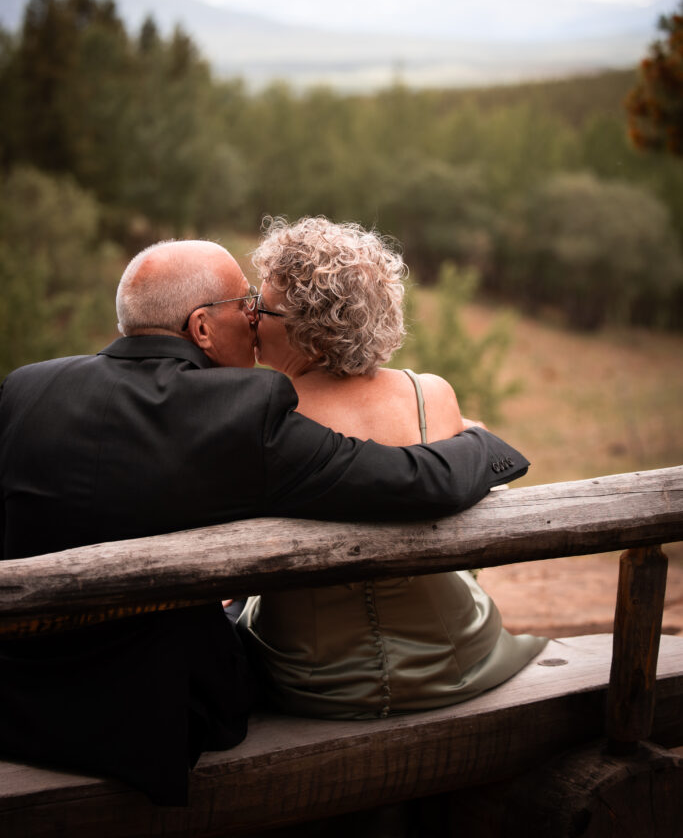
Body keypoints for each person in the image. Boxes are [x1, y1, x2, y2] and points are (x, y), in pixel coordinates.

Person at [0, 239, 529, 805]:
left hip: (14, 701)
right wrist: (483, 443)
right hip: (151, 722)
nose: (254, 320)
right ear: (201, 329)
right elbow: (417, 481)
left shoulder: (25, 387)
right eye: (245, 306)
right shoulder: (236, 414)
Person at [241, 217, 546, 719]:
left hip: (312, 676)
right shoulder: (432, 395)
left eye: (263, 306)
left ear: (311, 336)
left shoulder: (261, 418)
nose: (251, 316)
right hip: (457, 657)